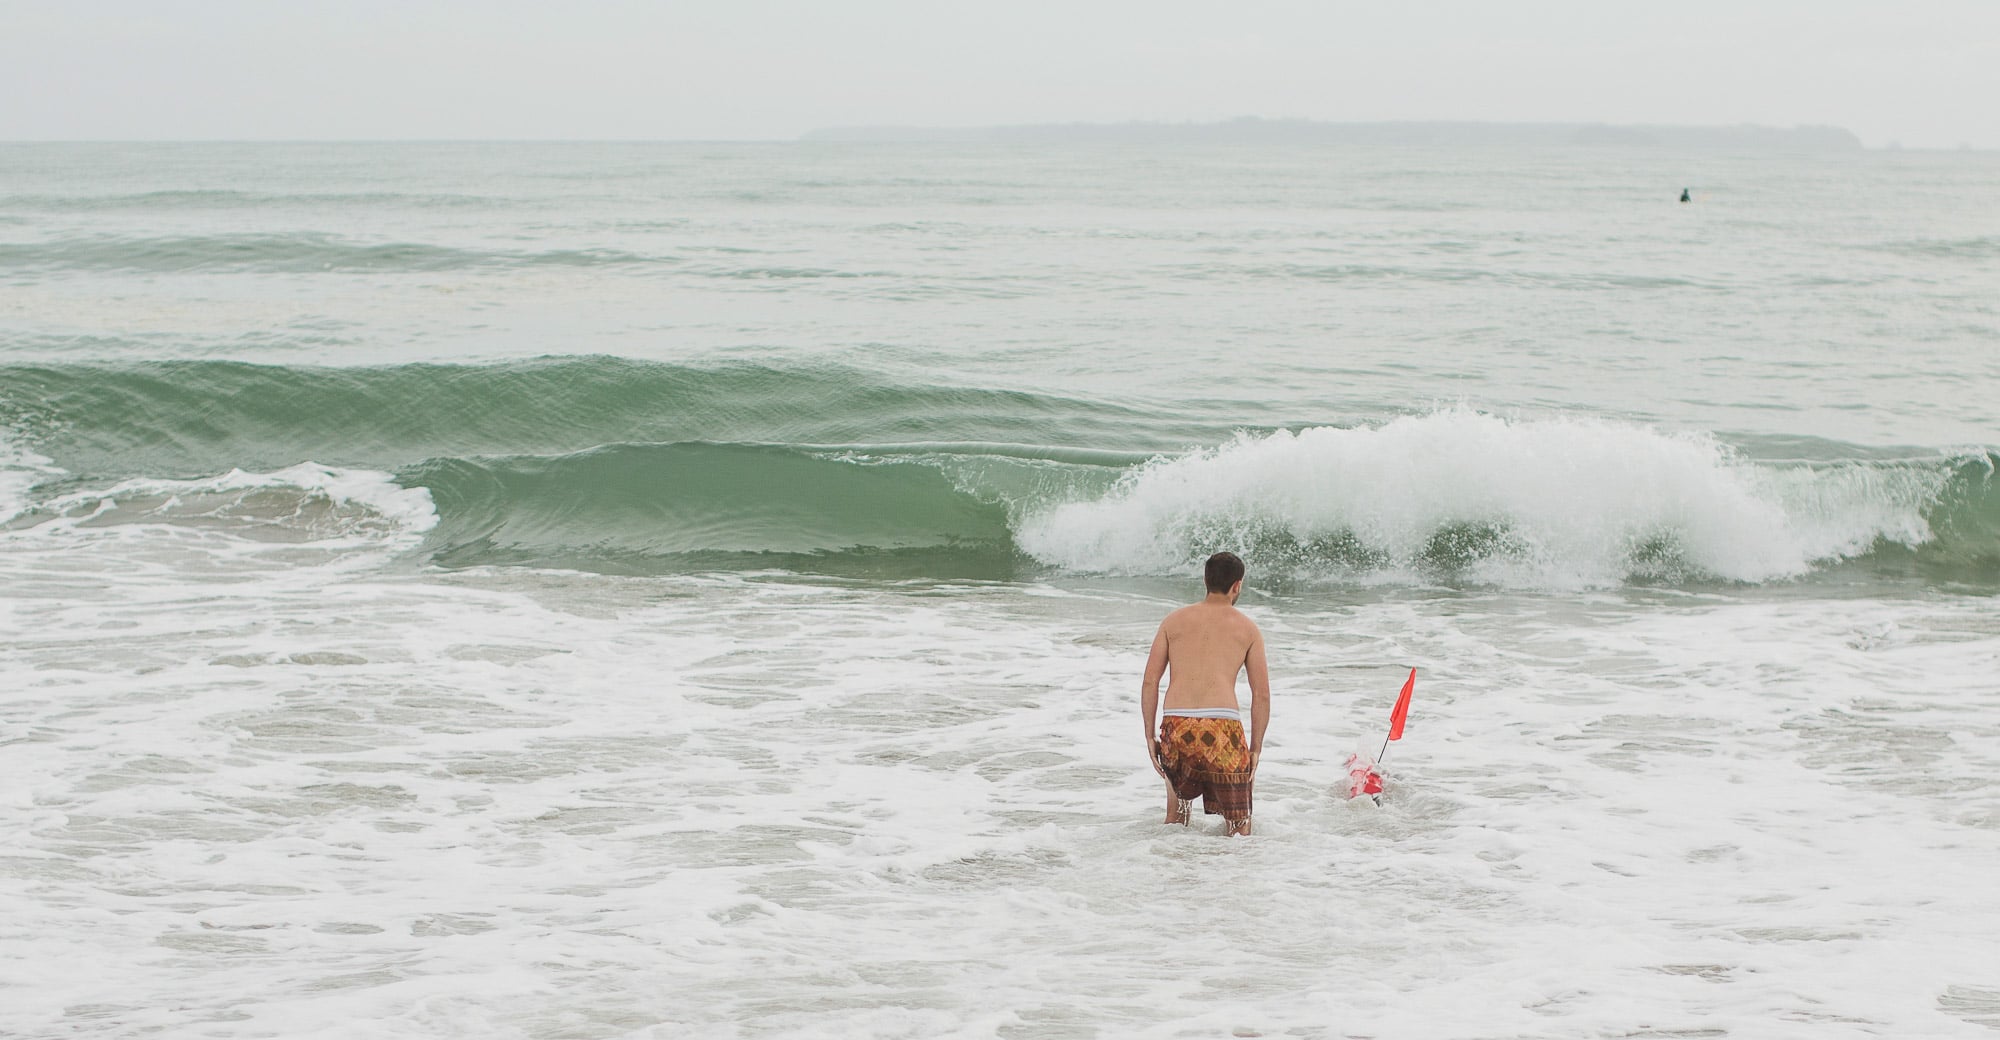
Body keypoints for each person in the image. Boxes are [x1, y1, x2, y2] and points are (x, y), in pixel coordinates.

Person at [1139, 551, 1271, 836]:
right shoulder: (1248, 629)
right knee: (1239, 826)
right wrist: (1256, 748)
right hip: (1222, 728)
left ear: (1205, 580)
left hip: (1177, 725)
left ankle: (1168, 870)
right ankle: (1228, 878)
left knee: (1176, 818)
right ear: (1237, 585)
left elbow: (1150, 681)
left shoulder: (1172, 622)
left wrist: (1150, 735)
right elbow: (1261, 695)